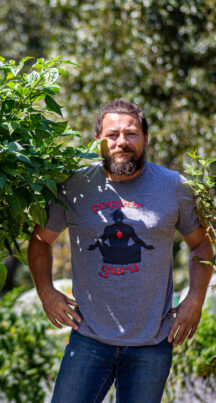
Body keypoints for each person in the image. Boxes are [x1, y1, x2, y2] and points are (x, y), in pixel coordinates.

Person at [27, 99, 214, 403]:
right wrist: (46, 292)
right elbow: (39, 242)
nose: (121, 142)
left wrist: (195, 299)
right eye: (112, 135)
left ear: (146, 139)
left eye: (131, 134)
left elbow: (201, 245)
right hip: (88, 339)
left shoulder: (174, 186)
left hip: (152, 343)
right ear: (98, 141)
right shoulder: (74, 186)